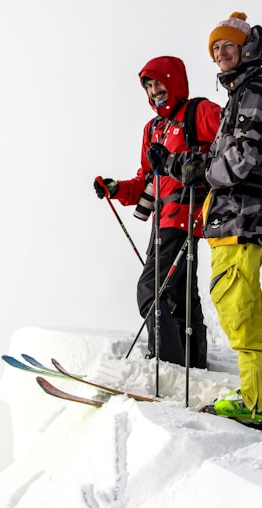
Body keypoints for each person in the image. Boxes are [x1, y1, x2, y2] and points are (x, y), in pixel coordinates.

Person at [163, 12, 262, 422]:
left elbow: (243, 159)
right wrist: (183, 164)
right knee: (249, 305)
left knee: (235, 306)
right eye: (215, 48)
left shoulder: (254, 92)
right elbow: (227, 155)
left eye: (228, 46)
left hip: (241, 218)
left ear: (247, 48)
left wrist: (201, 172)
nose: (221, 54)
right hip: (236, 218)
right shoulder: (240, 95)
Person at [94, 56, 221, 369]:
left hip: (187, 214)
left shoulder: (198, 112)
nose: (154, 90)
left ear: (173, 81)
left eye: (158, 81)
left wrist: (202, 169)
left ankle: (165, 363)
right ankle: (192, 363)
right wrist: (115, 188)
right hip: (162, 220)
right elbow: (146, 180)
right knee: (179, 294)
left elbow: (230, 139)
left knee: (151, 289)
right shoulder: (153, 129)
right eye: (148, 85)